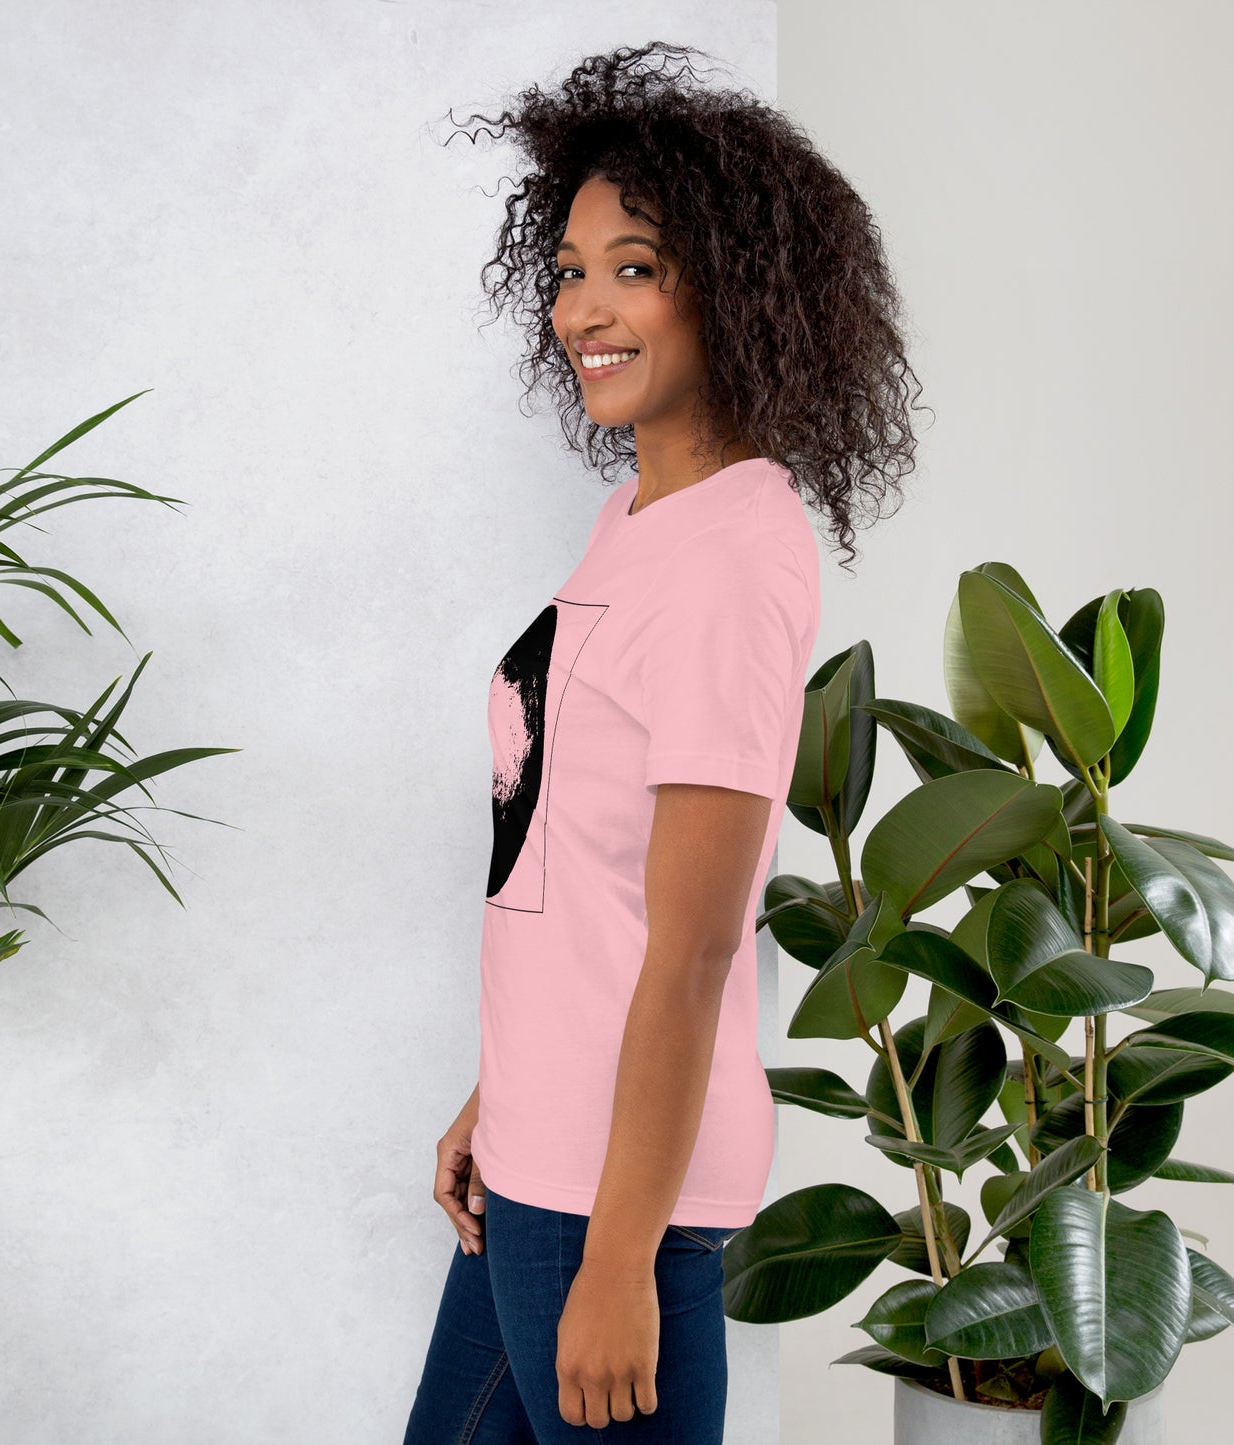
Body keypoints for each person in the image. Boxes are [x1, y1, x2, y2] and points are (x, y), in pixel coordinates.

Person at [404, 40, 923, 1444]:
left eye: (634, 266)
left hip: (612, 1205)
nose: (585, 307)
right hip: (540, 1161)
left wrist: (622, 1258)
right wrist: (497, 1098)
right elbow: (582, 867)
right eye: (570, 269)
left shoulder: (732, 557)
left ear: (740, 288)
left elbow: (694, 945)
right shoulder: (638, 520)